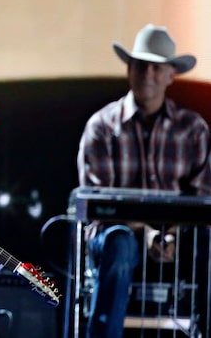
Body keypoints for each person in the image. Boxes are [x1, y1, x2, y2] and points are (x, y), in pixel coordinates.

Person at [77, 23, 211, 338]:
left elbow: (204, 201)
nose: (148, 74)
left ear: (170, 75)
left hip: (180, 236)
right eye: (141, 66)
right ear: (129, 70)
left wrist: (172, 234)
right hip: (117, 234)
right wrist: (148, 232)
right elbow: (100, 207)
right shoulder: (102, 126)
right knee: (119, 242)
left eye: (156, 67)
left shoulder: (193, 129)